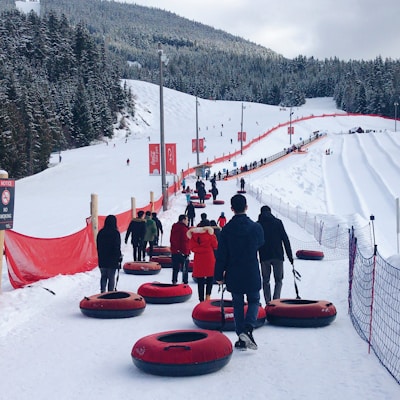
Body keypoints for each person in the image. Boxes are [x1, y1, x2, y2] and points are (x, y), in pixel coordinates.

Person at [215, 194, 264, 351]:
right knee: (254, 300)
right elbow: (261, 243)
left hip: (233, 271)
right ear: (246, 207)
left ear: (232, 209)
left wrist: (218, 275)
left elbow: (221, 255)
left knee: (237, 304)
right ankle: (249, 327)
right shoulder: (256, 227)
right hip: (251, 269)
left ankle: (241, 338)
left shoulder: (226, 230)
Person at [257, 205, 294, 304]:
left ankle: (268, 302)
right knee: (278, 280)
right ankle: (276, 301)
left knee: (265, 280)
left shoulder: (258, 224)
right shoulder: (278, 222)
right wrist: (290, 257)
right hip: (278, 256)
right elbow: (285, 240)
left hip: (264, 257)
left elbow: (255, 243)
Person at [187, 222, 218, 302]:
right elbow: (215, 245)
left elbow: (191, 247)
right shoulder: (210, 235)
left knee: (200, 280)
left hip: (198, 258)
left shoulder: (193, 236)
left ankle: (201, 299)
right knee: (210, 278)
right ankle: (208, 296)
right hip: (209, 258)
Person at [96, 215, 122, 293]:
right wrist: (119, 257)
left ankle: (102, 291)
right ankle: (110, 293)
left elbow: (98, 245)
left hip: (102, 258)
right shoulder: (115, 233)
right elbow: (117, 247)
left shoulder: (101, 233)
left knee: (103, 276)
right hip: (112, 259)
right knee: (111, 277)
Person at [170, 214, 190, 284]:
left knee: (175, 268)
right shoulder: (184, 229)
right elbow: (185, 241)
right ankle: (185, 283)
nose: (188, 221)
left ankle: (174, 281)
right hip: (183, 252)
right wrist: (186, 252)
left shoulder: (174, 227)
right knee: (185, 269)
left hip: (175, 251)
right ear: (183, 220)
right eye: (187, 220)